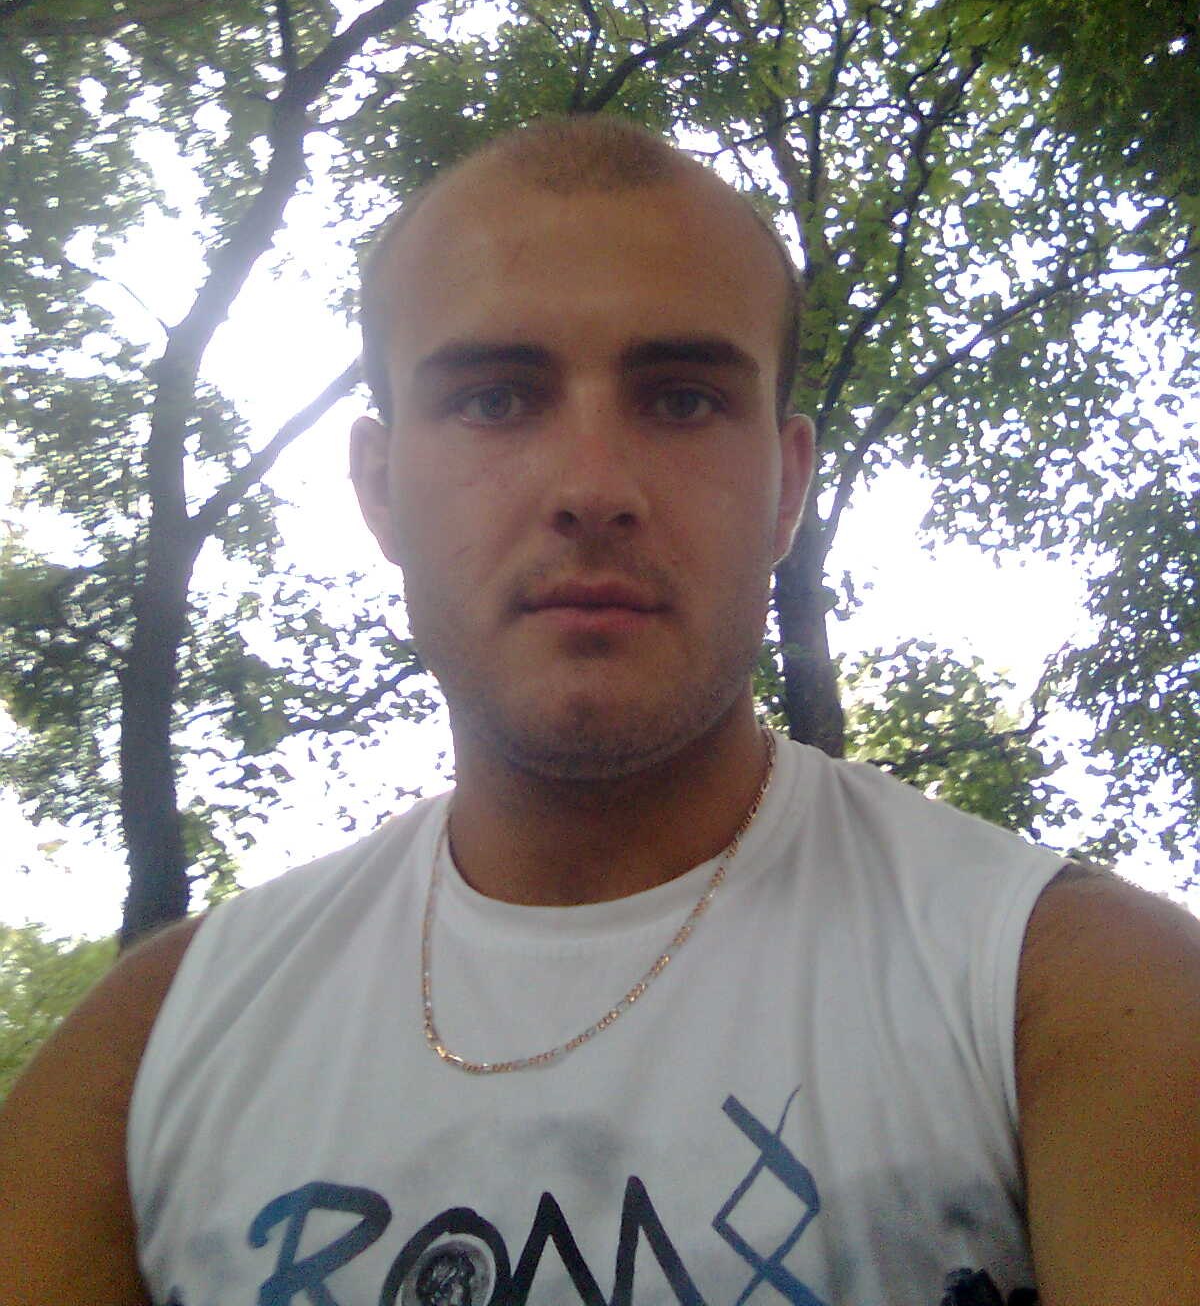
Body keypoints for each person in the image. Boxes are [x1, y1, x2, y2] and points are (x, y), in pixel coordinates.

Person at [1, 116, 1197, 1306]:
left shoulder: (1075, 995)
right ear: (379, 488)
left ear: (786, 487)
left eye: (681, 401)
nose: (592, 488)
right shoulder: (148, 1050)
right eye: (494, 400)